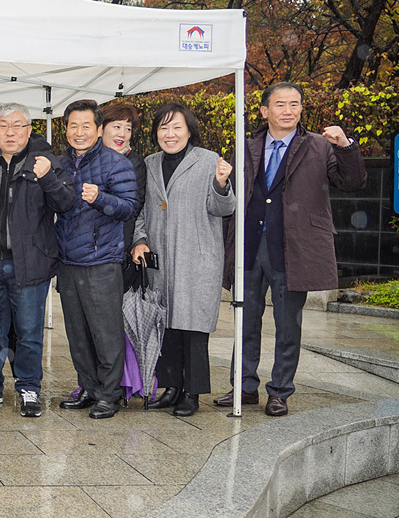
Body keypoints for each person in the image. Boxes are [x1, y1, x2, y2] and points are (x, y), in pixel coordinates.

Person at [214, 82, 365, 417]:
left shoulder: (319, 146)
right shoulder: (247, 145)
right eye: (280, 104)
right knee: (245, 321)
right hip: (249, 246)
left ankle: (280, 391)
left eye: (295, 104)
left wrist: (346, 146)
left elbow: (352, 182)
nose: (288, 110)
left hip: (293, 248)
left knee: (288, 324)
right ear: (265, 110)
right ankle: (244, 387)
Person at [0, 102, 76, 417]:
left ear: (28, 130)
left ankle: (28, 389)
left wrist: (47, 177)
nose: (10, 132)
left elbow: (66, 202)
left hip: (30, 263)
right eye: (3, 125)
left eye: (17, 125)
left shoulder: (45, 163)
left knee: (28, 331)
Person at [130, 103, 235, 416]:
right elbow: (141, 210)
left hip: (197, 260)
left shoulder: (208, 161)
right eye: (163, 128)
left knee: (192, 330)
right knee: (165, 326)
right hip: (160, 259)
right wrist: (140, 240)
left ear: (190, 130)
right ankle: (171, 387)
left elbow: (223, 208)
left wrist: (220, 183)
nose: (170, 134)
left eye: (176, 127)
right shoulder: (149, 164)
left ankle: (193, 393)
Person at [54, 99, 137, 420]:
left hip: (102, 261)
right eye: (73, 125)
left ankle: (109, 394)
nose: (79, 132)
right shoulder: (59, 163)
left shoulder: (116, 164)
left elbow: (129, 207)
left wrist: (100, 198)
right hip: (68, 262)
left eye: (86, 125)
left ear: (99, 129)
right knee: (77, 333)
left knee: (106, 333)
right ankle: (87, 388)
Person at [99, 102, 150, 406]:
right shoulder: (87, 159)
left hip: (120, 250)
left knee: (115, 323)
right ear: (102, 129)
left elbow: (134, 204)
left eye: (128, 128)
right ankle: (95, 383)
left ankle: (118, 385)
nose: (122, 133)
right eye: (116, 126)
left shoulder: (135, 163)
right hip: (88, 254)